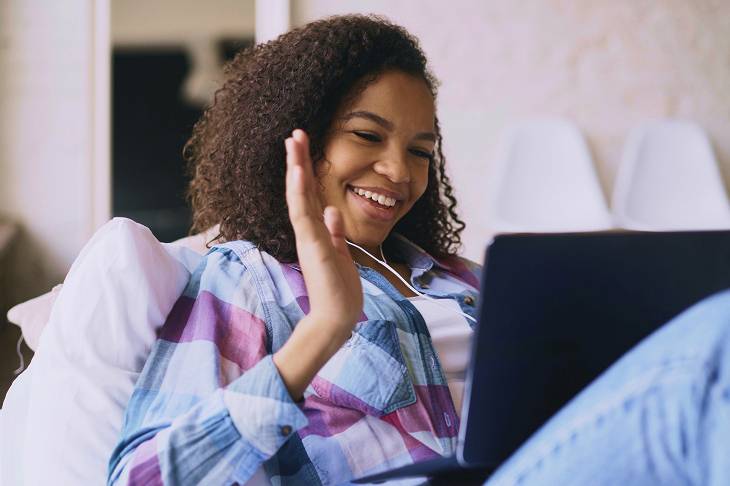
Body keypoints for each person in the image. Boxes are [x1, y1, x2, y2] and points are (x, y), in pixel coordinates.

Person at [108, 14, 730, 486]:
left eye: (420, 151)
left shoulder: (470, 283)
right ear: (296, 140)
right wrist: (323, 331)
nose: (397, 171)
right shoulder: (246, 279)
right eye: (366, 135)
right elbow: (143, 477)